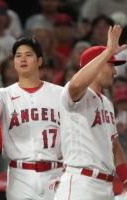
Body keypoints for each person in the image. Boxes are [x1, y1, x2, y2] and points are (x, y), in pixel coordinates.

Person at [0, 38, 64, 200]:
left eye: (28, 55)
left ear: (39, 61)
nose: (22, 59)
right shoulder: (3, 95)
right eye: (18, 56)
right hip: (20, 175)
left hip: (56, 173)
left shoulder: (60, 94)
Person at [54, 25, 127, 200]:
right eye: (111, 65)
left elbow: (114, 146)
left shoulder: (107, 103)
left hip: (105, 186)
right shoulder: (76, 93)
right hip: (81, 183)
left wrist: (126, 179)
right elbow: (77, 85)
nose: (115, 71)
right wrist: (108, 51)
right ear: (98, 65)